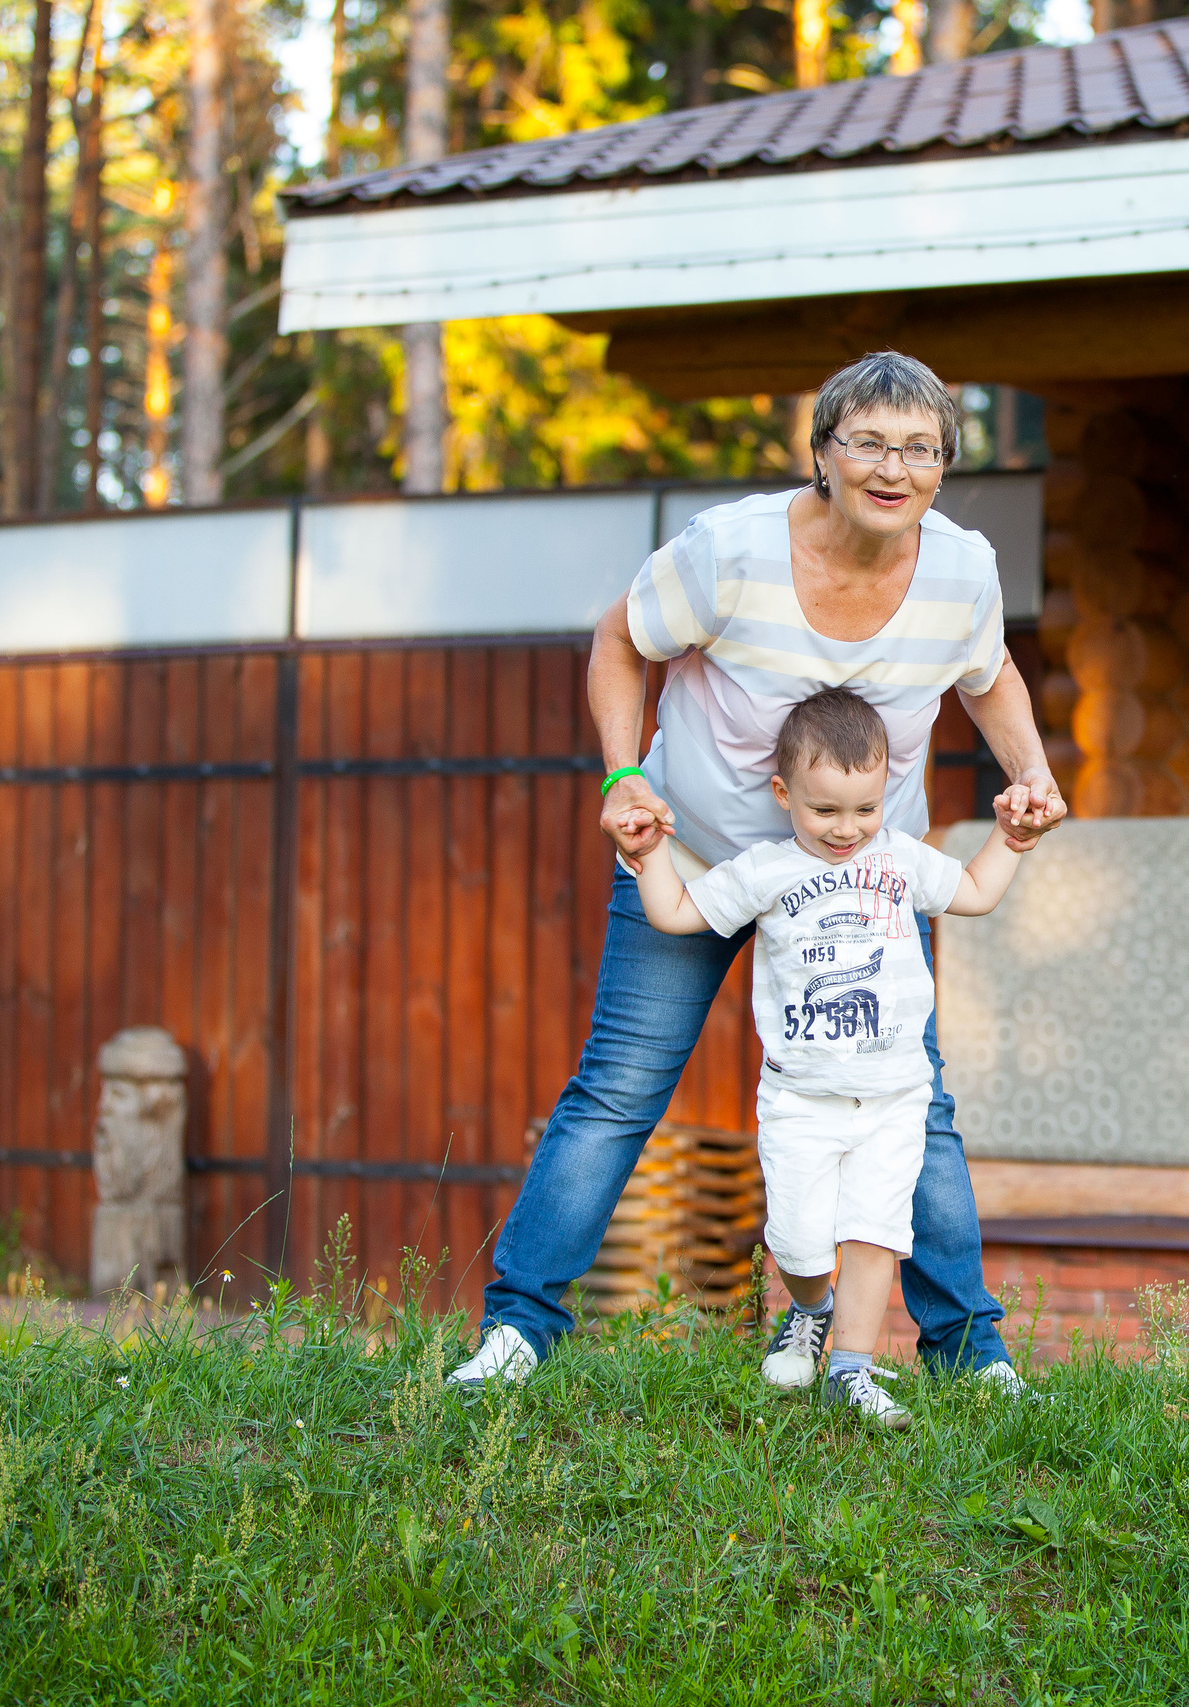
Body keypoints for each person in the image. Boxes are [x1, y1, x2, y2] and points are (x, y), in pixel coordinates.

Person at [448, 350, 1066, 1392]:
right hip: (695, 860)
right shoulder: (730, 553)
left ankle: (970, 1352)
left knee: (915, 1104)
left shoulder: (960, 570)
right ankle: (516, 1330)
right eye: (867, 441)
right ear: (821, 453)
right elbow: (617, 641)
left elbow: (989, 669)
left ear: (943, 468)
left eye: (919, 449)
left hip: (859, 881)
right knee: (619, 1089)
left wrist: (1033, 772)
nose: (892, 467)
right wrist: (623, 776)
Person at [627, 686, 1033, 1426]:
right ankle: (809, 1312)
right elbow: (677, 913)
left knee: (878, 1228)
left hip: (893, 1093)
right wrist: (649, 853)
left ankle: (853, 1367)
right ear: (784, 794)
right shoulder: (765, 870)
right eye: (824, 811)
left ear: (887, 794)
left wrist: (1011, 839)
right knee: (798, 1240)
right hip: (801, 1099)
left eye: (864, 809)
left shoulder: (901, 858)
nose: (847, 829)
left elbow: (972, 892)